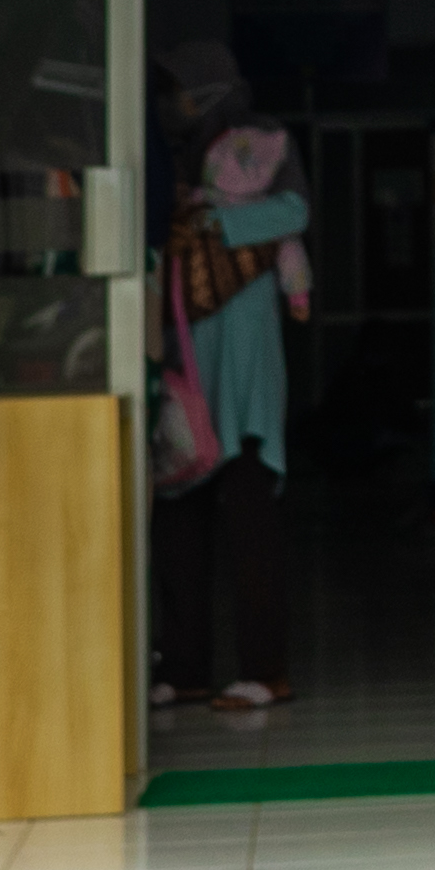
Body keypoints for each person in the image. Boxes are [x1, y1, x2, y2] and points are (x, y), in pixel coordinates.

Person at [149, 37, 311, 713]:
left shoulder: (262, 147)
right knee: (179, 524)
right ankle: (184, 668)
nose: (173, 106)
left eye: (182, 91)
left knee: (249, 526)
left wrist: (214, 218)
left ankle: (263, 670)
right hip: (187, 380)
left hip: (242, 382)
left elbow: (294, 211)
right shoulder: (171, 163)